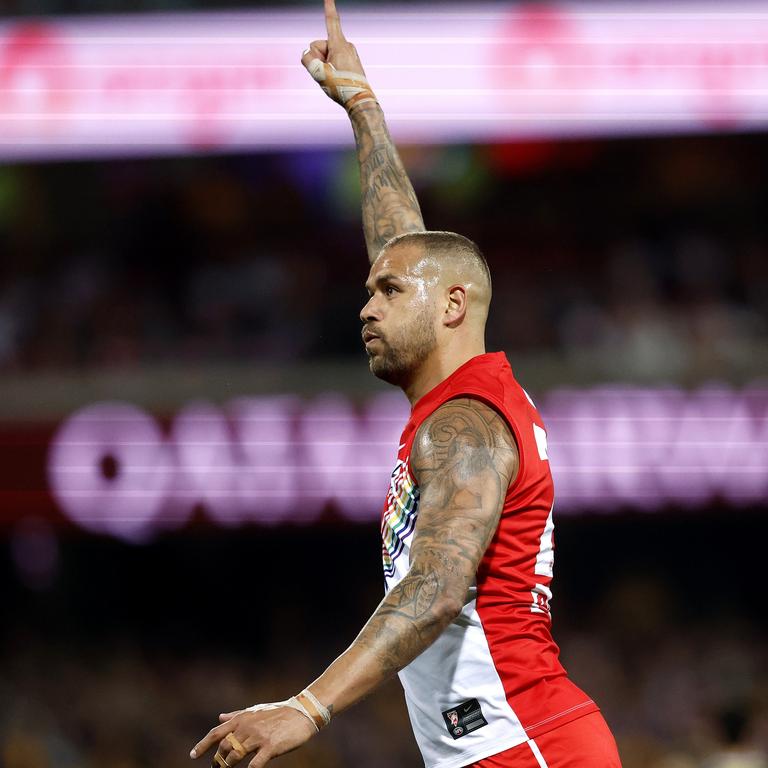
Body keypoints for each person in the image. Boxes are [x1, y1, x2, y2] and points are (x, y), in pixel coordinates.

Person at [190, 2, 622, 766]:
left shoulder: (469, 426)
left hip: (528, 747)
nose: (365, 306)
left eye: (387, 293)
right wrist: (362, 106)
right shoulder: (458, 397)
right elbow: (403, 242)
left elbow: (437, 585)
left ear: (453, 306)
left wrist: (307, 708)